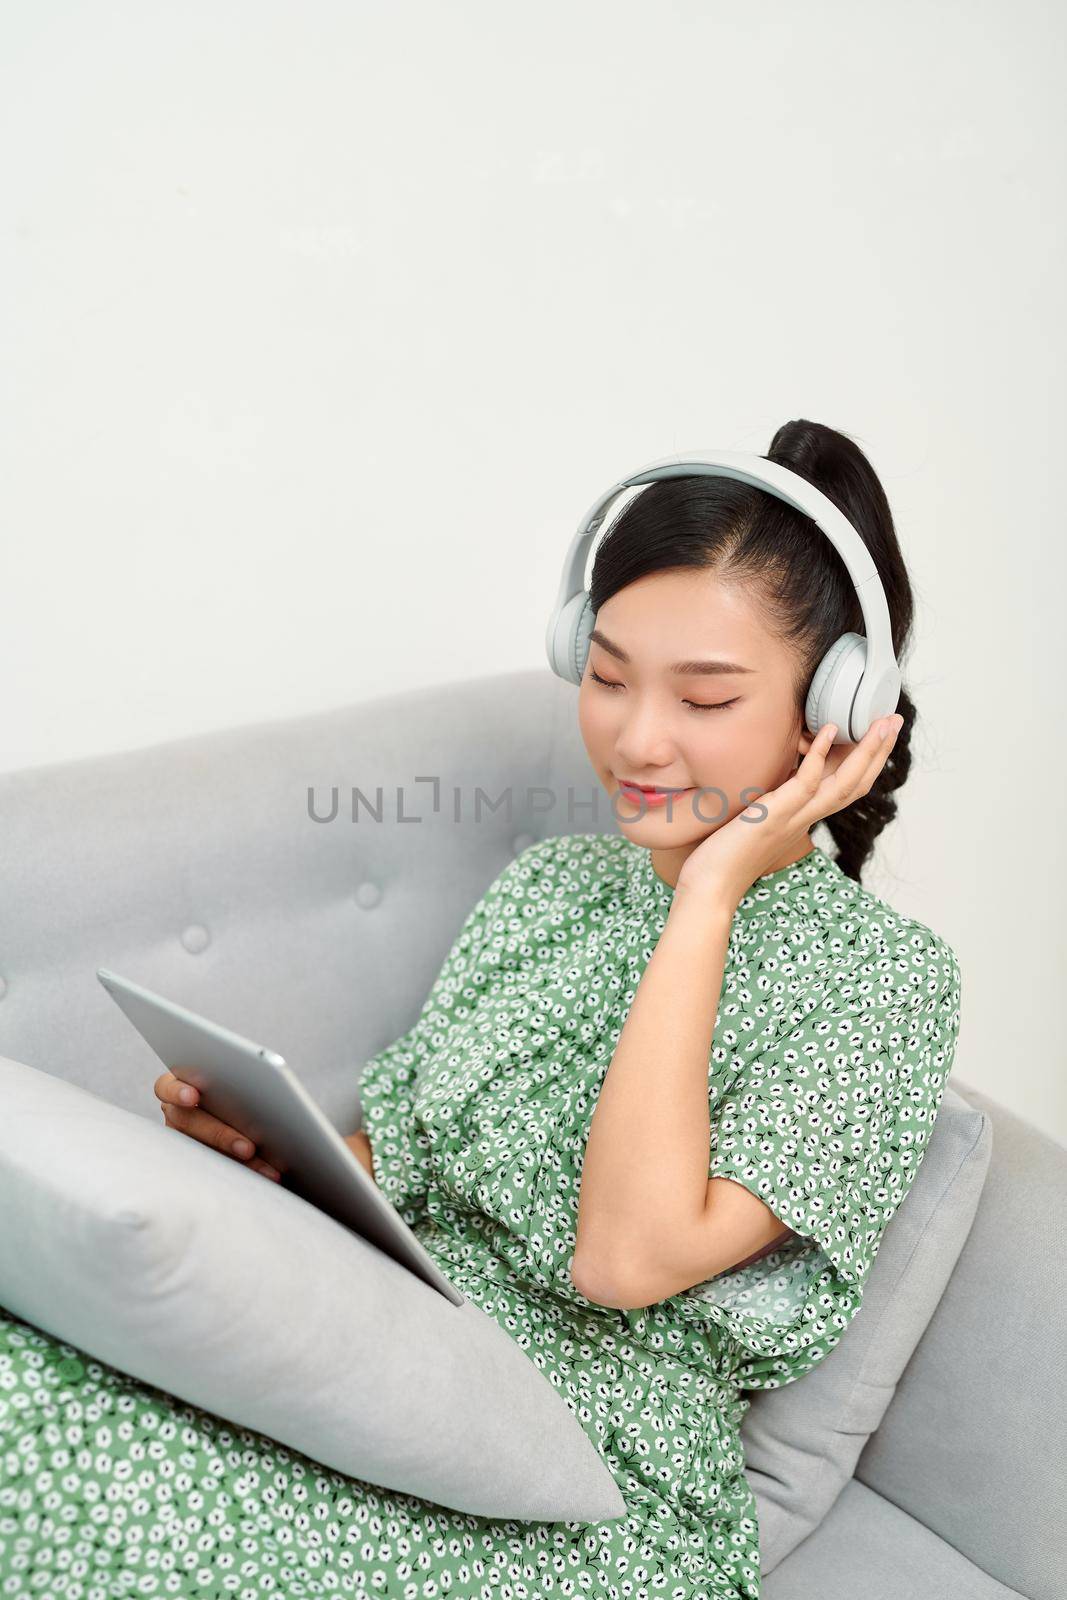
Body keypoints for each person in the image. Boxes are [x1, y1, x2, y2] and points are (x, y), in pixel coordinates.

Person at [0, 419, 962, 1599]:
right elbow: (392, 1164)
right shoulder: (548, 889)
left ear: (835, 712)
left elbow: (621, 1259)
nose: (635, 738)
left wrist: (708, 894)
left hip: (595, 1488)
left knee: (73, 1483)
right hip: (383, 1353)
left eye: (703, 699)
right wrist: (272, 1163)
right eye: (606, 677)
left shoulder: (880, 983)